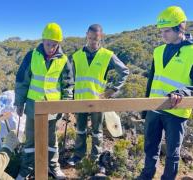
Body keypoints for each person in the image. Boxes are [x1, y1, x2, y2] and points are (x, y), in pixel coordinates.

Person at [138, 6, 193, 180]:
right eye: (161, 31)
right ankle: (147, 176)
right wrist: (145, 108)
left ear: (180, 28)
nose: (163, 35)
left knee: (172, 152)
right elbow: (152, 80)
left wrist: (182, 92)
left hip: (176, 111)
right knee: (150, 147)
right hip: (154, 108)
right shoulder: (158, 50)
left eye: (167, 31)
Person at [67, 24, 129, 176]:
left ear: (101, 37)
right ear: (86, 35)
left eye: (96, 38)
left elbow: (124, 71)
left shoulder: (107, 55)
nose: (93, 41)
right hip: (80, 100)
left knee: (97, 131)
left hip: (98, 101)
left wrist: (112, 90)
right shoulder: (76, 56)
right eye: (90, 38)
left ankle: (96, 158)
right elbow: (69, 79)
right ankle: (78, 156)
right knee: (80, 130)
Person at [14, 22, 74, 179]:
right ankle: (27, 168)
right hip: (33, 107)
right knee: (30, 140)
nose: (51, 47)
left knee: (51, 139)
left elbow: (68, 85)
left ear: (58, 43)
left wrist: (66, 104)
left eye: (54, 44)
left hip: (53, 109)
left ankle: (53, 166)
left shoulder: (64, 60)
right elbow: (22, 81)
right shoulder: (31, 56)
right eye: (48, 44)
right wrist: (19, 103)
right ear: (43, 41)